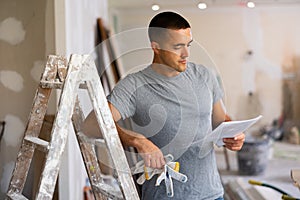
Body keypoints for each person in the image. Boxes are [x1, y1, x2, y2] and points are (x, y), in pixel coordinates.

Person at [83, 11, 245, 200]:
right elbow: (91, 125)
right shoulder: (134, 85)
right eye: (178, 47)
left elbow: (220, 120)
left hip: (211, 194)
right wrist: (137, 140)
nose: (186, 54)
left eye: (188, 45)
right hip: (163, 196)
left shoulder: (204, 76)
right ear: (156, 47)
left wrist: (233, 134)